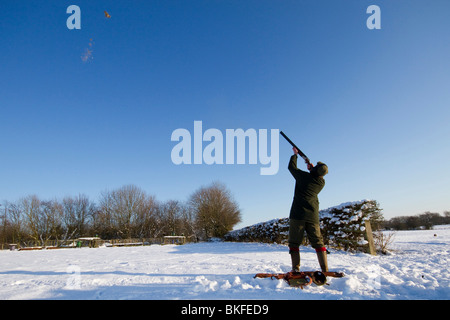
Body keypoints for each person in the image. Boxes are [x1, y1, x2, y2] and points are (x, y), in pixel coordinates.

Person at [288, 147, 329, 273]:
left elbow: (292, 168)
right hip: (313, 216)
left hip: (298, 215)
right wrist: (311, 168)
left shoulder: (303, 177)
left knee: (294, 243)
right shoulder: (321, 182)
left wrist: (295, 155)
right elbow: (316, 176)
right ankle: (325, 269)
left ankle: (296, 269)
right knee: (318, 243)